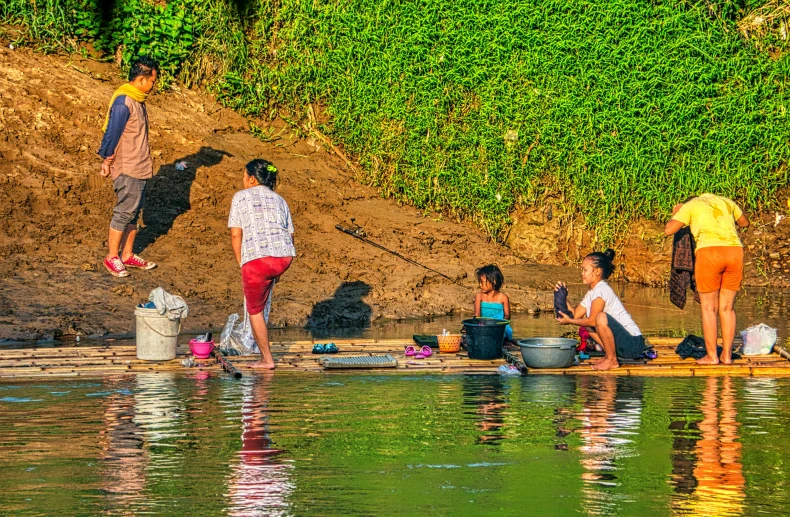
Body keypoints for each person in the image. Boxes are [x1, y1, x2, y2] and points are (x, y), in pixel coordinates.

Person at [665, 194, 749, 365]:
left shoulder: (691, 205)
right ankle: (726, 356)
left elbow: (669, 230)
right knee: (727, 308)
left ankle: (712, 356)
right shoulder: (726, 202)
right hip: (735, 251)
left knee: (709, 308)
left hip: (709, 252)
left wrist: (677, 213)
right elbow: (744, 223)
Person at [228, 159, 295, 369]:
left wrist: (242, 263)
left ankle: (267, 359)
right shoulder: (280, 199)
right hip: (284, 257)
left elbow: (235, 234)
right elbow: (290, 235)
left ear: (251, 179)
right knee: (264, 292)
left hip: (257, 261)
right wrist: (280, 271)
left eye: (243, 176)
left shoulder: (240, 197)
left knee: (254, 309)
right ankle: (261, 349)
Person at [98, 57, 160, 278]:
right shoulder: (124, 101)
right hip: (128, 167)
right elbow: (111, 134)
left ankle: (127, 254)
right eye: (152, 81)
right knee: (125, 211)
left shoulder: (138, 100)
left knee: (135, 212)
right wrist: (106, 161)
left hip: (141, 165)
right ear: (142, 79)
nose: (153, 86)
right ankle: (112, 256)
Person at [555, 249, 646, 371]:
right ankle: (609, 355)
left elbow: (592, 320)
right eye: (582, 270)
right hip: (624, 346)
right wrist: (563, 296)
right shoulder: (591, 293)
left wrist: (570, 322)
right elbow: (576, 315)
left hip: (633, 344)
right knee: (587, 323)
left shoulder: (601, 290)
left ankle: (612, 359)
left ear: (597, 271)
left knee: (599, 317)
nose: (582, 273)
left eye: (585, 270)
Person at [474, 265, 513, 341]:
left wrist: (499, 323)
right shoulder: (479, 296)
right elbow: (477, 315)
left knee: (502, 337)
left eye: (482, 282)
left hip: (499, 327)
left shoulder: (503, 297)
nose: (480, 285)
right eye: (479, 282)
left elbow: (507, 315)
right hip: (483, 326)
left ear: (494, 282)